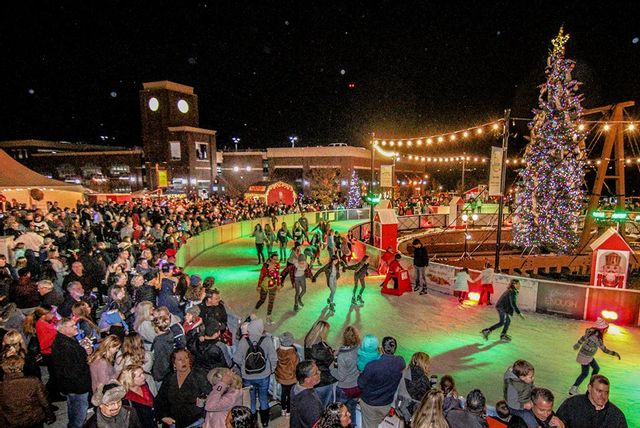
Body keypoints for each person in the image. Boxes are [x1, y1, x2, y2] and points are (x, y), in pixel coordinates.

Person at [232, 316, 277, 427]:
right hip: (264, 375)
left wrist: (243, 367)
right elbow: (273, 358)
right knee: (263, 398)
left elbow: (236, 359)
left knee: (250, 399)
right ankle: (265, 422)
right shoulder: (266, 340)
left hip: (248, 377)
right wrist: (272, 369)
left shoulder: (244, 341)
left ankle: (251, 422)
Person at [51, 317, 92, 428]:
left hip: (69, 386)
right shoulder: (66, 346)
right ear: (63, 329)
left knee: (73, 408)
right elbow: (72, 370)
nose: (76, 327)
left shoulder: (64, 340)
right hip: (77, 387)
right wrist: (86, 353)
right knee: (79, 414)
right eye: (72, 326)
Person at [155, 349, 211, 428]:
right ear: (174, 364)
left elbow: (210, 398)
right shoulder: (169, 378)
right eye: (180, 359)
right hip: (172, 423)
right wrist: (163, 416)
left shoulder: (199, 376)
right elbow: (160, 400)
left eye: (186, 358)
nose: (184, 362)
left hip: (195, 423)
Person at [357, 336, 405, 428]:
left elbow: (360, 384)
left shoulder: (372, 366)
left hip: (369, 404)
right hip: (386, 404)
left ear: (381, 349)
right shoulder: (400, 362)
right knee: (376, 422)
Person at [568, 317, 621, 396]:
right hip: (585, 357)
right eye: (605, 329)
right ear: (602, 329)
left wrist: (578, 344)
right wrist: (615, 353)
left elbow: (583, 338)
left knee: (596, 368)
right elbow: (604, 350)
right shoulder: (596, 338)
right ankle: (574, 388)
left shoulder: (590, 332)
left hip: (588, 356)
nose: (606, 331)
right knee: (584, 373)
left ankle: (591, 385)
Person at [0, 355, 55, 428]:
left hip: (13, 421)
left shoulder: (2, 386)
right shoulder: (33, 381)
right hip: (34, 418)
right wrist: (50, 416)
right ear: (21, 367)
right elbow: (44, 401)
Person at [557, 374, 627, 427]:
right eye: (599, 391)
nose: (603, 396)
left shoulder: (617, 416)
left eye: (606, 392)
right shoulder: (571, 404)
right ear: (590, 388)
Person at [330, 325, 361, 426]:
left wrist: (331, 369)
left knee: (340, 414)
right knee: (351, 412)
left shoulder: (343, 355)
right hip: (357, 387)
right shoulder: (360, 349)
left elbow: (341, 376)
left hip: (345, 389)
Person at [304, 320, 338, 406]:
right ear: (321, 331)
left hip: (314, 377)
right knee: (325, 405)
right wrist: (333, 354)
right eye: (326, 331)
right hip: (324, 380)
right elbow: (330, 361)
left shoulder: (309, 340)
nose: (326, 333)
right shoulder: (319, 349)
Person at [395, 351, 432, 424]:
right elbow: (427, 399)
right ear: (424, 364)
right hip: (414, 414)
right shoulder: (424, 379)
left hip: (400, 407)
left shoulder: (404, 372)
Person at [290, 360, 324, 428]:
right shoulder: (311, 403)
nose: (319, 372)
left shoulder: (295, 387)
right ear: (307, 380)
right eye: (316, 373)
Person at [275, 331, 299, 416]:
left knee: (283, 393)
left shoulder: (278, 351)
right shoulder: (293, 354)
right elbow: (296, 366)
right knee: (290, 395)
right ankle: (288, 411)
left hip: (281, 377)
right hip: (291, 378)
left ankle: (283, 409)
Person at [255, 253, 281, 324]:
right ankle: (255, 310)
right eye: (274, 259)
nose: (276, 261)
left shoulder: (277, 265)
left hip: (273, 286)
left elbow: (278, 275)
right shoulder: (265, 266)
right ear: (271, 258)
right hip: (265, 286)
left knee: (271, 302)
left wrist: (278, 284)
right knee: (262, 300)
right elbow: (261, 276)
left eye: (277, 259)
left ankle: (268, 317)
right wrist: (259, 286)